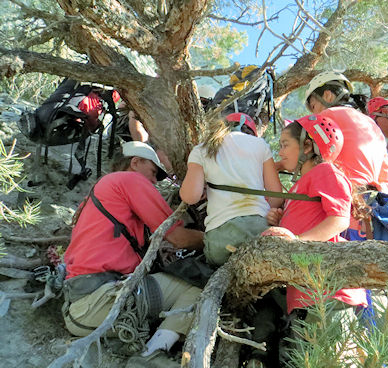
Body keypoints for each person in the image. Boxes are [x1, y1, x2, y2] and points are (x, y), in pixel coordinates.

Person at [62, 141, 204, 356]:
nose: (155, 181)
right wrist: (213, 237)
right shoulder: (130, 180)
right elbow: (179, 238)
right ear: (135, 162)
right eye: (153, 172)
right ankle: (152, 356)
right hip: (100, 301)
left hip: (81, 307)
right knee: (198, 288)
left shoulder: (100, 190)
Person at [259, 114, 368, 367]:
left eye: (285, 144)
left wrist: (295, 241)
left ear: (307, 146)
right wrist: (280, 220)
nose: (280, 150)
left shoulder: (325, 171)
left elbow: (339, 219)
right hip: (307, 297)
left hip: (328, 295)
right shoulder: (300, 185)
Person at [179, 112, 283, 266]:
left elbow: (190, 197)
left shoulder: (202, 149)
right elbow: (276, 196)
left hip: (221, 238)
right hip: (258, 230)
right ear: (252, 132)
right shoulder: (260, 145)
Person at [299, 71, 388, 194]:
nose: (314, 113)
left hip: (344, 193)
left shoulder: (327, 117)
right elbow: (386, 178)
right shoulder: (372, 125)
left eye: (313, 106)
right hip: (375, 197)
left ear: (328, 96)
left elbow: (303, 155)